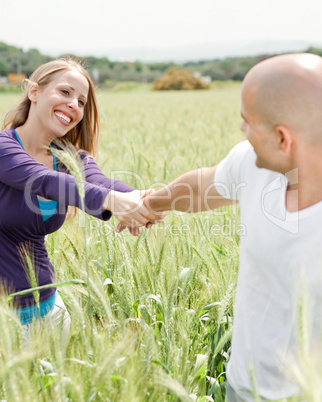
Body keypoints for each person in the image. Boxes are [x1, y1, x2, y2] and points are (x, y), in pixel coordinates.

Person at [141, 53, 322, 401]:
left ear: (283, 139)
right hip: (241, 387)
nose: (242, 130)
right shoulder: (253, 162)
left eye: (247, 121)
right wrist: (149, 205)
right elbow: (200, 187)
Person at [0, 58, 160, 336]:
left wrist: (143, 199)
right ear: (34, 92)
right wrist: (111, 200)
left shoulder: (71, 158)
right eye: (65, 92)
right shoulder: (4, 148)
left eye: (82, 101)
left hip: (50, 312)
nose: (74, 104)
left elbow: (98, 181)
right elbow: (45, 181)